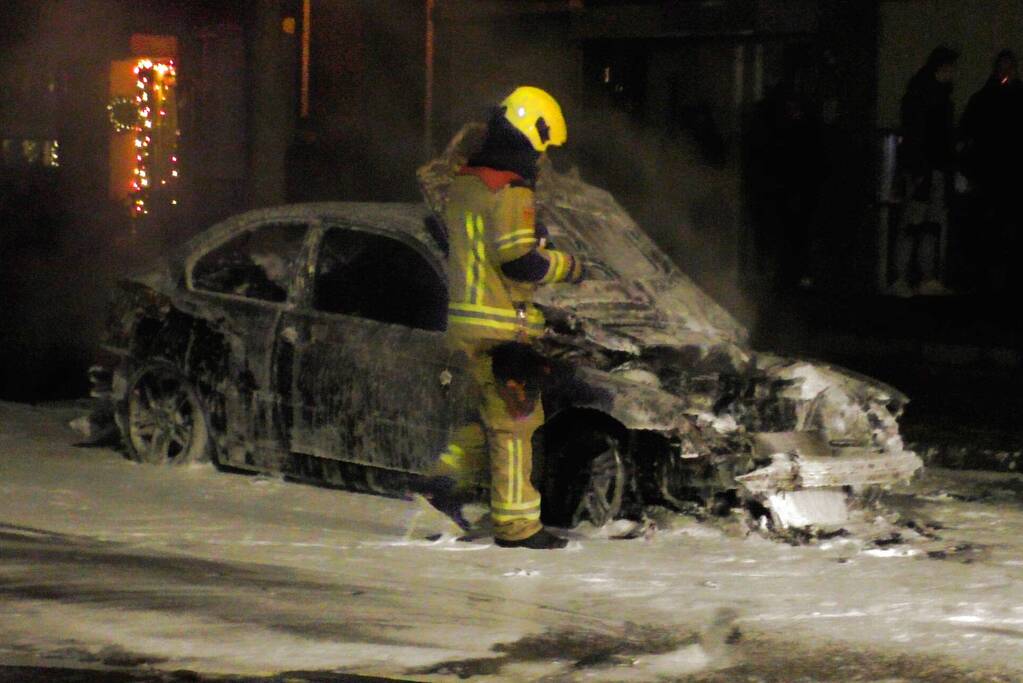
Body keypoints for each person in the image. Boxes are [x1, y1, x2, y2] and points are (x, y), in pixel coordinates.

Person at [429, 86, 585, 549]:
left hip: (464, 323)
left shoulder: (465, 182)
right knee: (517, 426)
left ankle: (441, 482)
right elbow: (520, 262)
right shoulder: (512, 192)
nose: (541, 157)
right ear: (529, 131)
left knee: (486, 419)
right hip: (502, 329)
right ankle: (518, 528)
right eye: (542, 145)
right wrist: (568, 266)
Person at [889, 46, 958, 297]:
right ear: (942, 67)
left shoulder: (925, 94)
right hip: (925, 168)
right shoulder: (928, 97)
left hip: (930, 167)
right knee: (916, 223)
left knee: (924, 223)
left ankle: (916, 276)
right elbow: (919, 134)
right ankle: (906, 276)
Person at [959, 49, 1023, 292]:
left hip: (1006, 176)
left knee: (1005, 228)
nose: (1005, 73)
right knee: (993, 228)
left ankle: (1002, 279)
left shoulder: (988, 98)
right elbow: (969, 132)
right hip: (993, 176)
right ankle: (992, 279)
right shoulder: (986, 98)